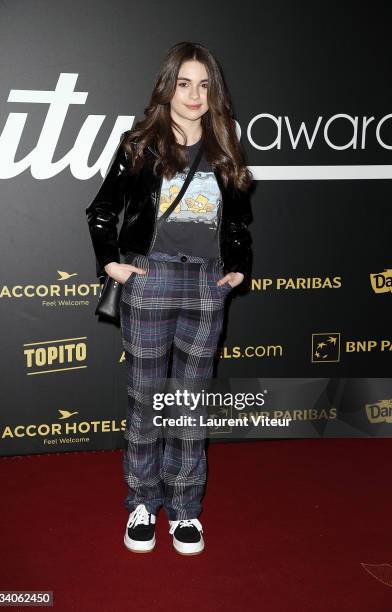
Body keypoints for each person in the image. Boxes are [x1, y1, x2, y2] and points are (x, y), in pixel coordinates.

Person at [85, 41, 253, 556]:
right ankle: (141, 502)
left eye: (204, 84)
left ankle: (184, 511)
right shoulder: (139, 144)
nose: (195, 94)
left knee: (189, 403)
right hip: (149, 278)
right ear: (168, 87)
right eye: (184, 83)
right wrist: (113, 264)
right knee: (146, 397)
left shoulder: (226, 146)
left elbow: (240, 221)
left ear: (214, 90)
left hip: (206, 282)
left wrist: (238, 268)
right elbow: (100, 211)